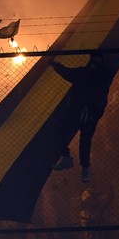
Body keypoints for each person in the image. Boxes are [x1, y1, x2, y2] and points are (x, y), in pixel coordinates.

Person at [50, 53, 112, 183]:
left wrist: (54, 64)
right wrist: (55, 65)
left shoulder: (93, 75)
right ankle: (73, 162)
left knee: (84, 140)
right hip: (80, 112)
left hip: (85, 113)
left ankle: (82, 166)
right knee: (63, 132)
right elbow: (67, 72)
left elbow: (67, 72)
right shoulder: (97, 76)